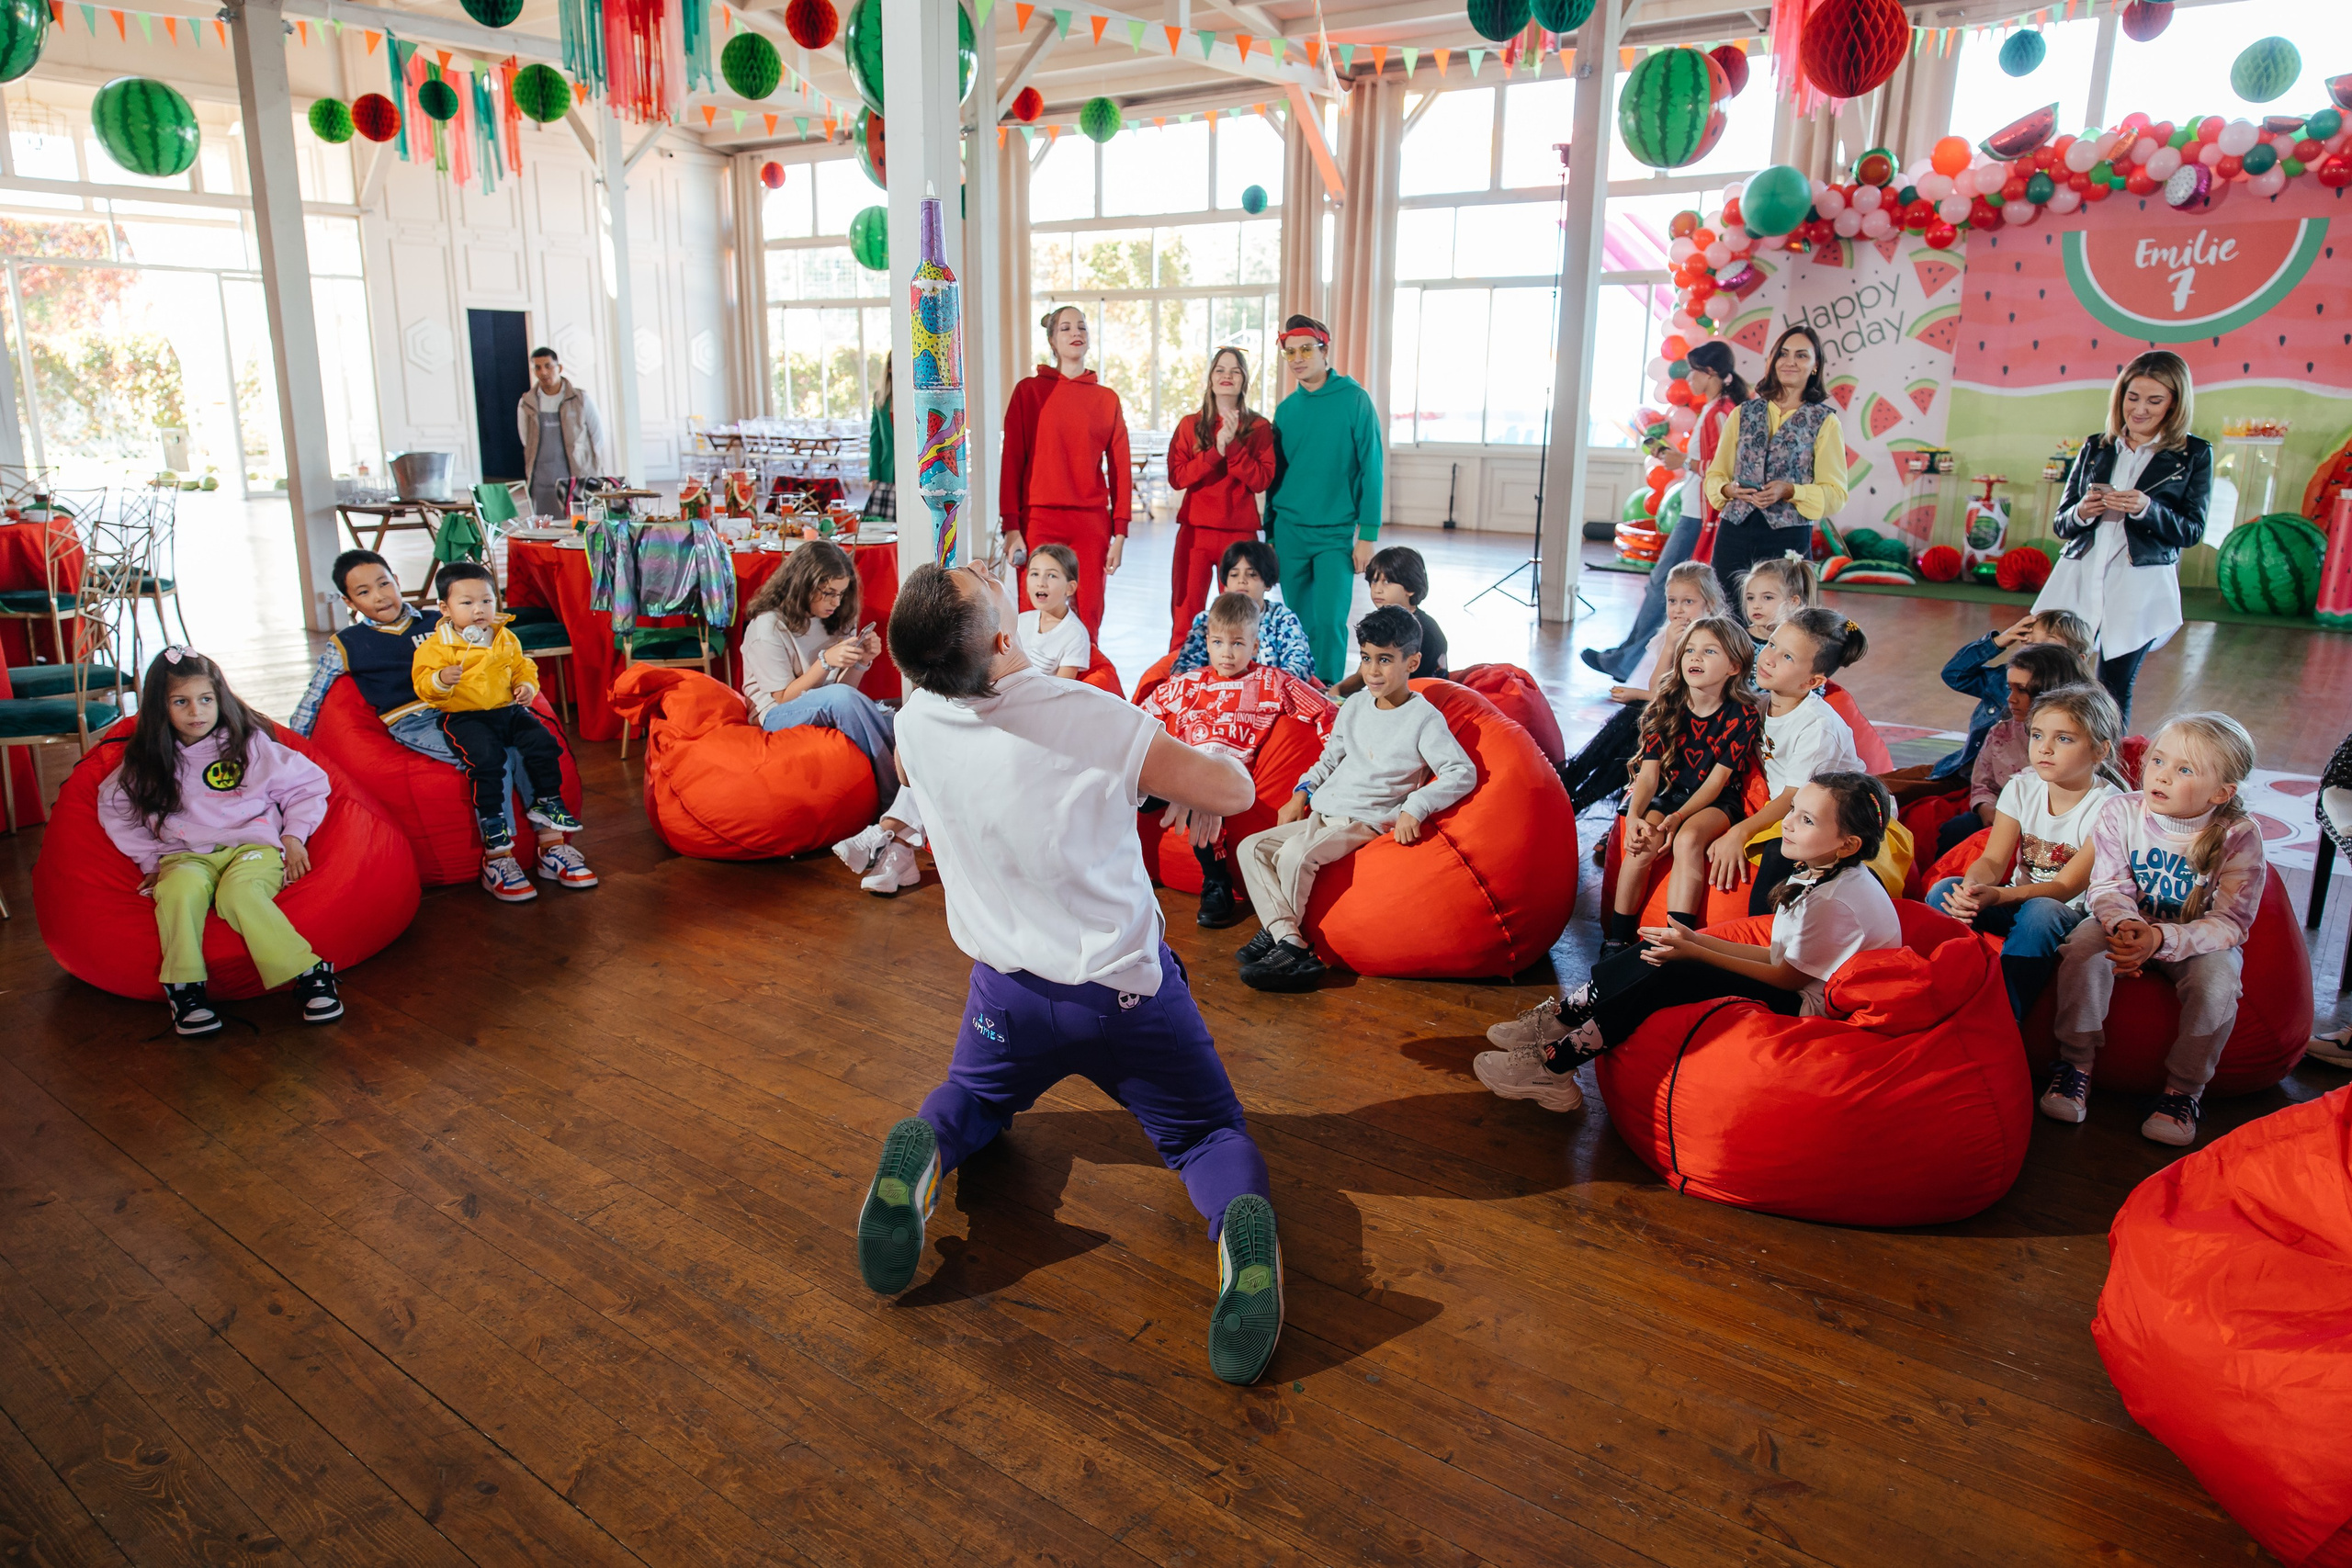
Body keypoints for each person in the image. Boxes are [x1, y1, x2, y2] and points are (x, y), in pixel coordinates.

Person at [858, 559, 1286, 1388]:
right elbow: (1232, 788)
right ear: (1006, 637)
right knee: (1208, 1137)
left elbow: (939, 769)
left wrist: (1143, 787)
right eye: (977, 575)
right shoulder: (1086, 713)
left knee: (976, 1099)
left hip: (1006, 993)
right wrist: (1174, 783)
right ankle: (1243, 1244)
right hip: (1123, 995)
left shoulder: (914, 718)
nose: (986, 563)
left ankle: (922, 1156)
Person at [1476, 773, 1901, 1112]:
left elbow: (1787, 980)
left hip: (1812, 1007)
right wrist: (1694, 939)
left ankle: (1554, 1067)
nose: (1786, 822)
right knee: (1656, 947)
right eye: (1792, 810)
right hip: (1796, 982)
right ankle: (1565, 1018)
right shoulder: (1817, 870)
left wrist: (1697, 952)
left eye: (1806, 820)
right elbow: (1779, 953)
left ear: (1848, 844)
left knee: (1672, 971)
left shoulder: (1835, 900)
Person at [289, 549, 589, 900]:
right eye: (364, 592)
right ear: (348, 600)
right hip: (416, 719)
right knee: (493, 757)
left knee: (525, 744)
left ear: (397, 581)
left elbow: (503, 655)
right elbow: (315, 696)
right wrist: (294, 748)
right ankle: (499, 858)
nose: (380, 596)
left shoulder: (444, 619)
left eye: (384, 583)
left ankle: (549, 845)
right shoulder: (346, 644)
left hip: (468, 709)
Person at [2043, 713, 2263, 1146]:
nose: (2161, 775)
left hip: (2197, 937)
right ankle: (2076, 1064)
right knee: (2082, 951)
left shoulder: (2238, 835)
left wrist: (2162, 939)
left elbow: (2231, 922)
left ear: (2221, 792)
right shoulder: (2120, 811)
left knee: (2218, 983)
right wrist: (2126, 924)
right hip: (2124, 924)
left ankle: (2183, 1091)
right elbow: (2107, 886)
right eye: (2158, 760)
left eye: (2184, 770)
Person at [98, 649, 343, 1036]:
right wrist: (150, 863)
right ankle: (185, 989)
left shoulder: (250, 745)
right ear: (161, 708)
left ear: (220, 699)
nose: (197, 712)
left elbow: (309, 785)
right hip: (183, 855)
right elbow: (115, 808)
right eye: (181, 702)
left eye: (206, 700)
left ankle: (309, 973)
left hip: (253, 848)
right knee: (178, 890)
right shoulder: (147, 760)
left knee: (240, 895)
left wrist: (293, 836)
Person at [1234, 605, 1477, 994]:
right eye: (1366, 659)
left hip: (1363, 820)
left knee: (1296, 855)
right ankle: (1283, 935)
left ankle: (1291, 950)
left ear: (1412, 662)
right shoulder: (1358, 704)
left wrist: (1416, 806)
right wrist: (1302, 792)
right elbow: (1330, 757)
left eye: (1385, 660)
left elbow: (1461, 772)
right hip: (1325, 812)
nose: (1373, 671)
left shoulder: (1424, 719)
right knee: (1251, 848)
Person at [1927, 683, 2127, 1018]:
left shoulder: (2111, 807)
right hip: (2015, 899)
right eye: (2037, 736)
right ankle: (1942, 996)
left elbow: (2064, 889)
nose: (2044, 748)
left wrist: (1996, 896)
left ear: (2099, 750)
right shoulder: (2022, 786)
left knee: (2041, 912)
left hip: (2073, 914)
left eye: (2063, 739)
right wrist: (1972, 887)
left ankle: (2004, 1016)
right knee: (1944, 891)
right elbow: (1992, 859)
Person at [2035, 350, 2212, 728]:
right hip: (2079, 576)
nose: (2140, 410)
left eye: (2154, 400)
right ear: (2120, 397)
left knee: (2113, 687)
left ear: (2175, 403)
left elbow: (2192, 530)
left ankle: (2107, 769)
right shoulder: (2096, 445)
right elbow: (2062, 524)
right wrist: (2085, 509)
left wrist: (2147, 508)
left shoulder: (2194, 454)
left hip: (2139, 584)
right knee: (2055, 679)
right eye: (2132, 397)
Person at [1141, 592, 1339, 929]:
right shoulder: (1187, 684)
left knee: (1202, 794)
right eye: (1218, 642)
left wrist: (1336, 766)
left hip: (1229, 781)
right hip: (1184, 773)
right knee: (1134, 790)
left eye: (1237, 643)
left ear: (1255, 645)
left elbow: (1326, 713)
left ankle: (1215, 880)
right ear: (1207, 642)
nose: (1227, 653)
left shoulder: (1273, 682)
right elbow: (1142, 717)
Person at [741, 542, 917, 890]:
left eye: (841, 593)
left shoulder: (833, 618)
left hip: (827, 702)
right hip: (774, 714)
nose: (836, 602)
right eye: (828, 593)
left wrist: (861, 660)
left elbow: (846, 689)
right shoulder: (767, 627)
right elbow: (784, 697)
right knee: (850, 703)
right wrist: (825, 661)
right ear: (803, 584)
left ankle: (897, 827)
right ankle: (892, 809)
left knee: (905, 720)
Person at [1584, 339, 1749, 679]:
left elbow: (1729, 470)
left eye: (1693, 371)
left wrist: (1685, 462)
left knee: (1665, 585)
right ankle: (1626, 658)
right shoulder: (1715, 408)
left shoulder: (1724, 412)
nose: (1687, 378)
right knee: (1664, 584)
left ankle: (1627, 661)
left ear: (1711, 373)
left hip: (1702, 514)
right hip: (1695, 509)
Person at [1603, 615, 1763, 952]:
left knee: (1688, 840)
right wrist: (1635, 817)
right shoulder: (1666, 704)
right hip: (1667, 793)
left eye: (1708, 651)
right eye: (1690, 650)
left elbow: (1717, 782)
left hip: (1716, 799)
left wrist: (1679, 818)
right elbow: (1648, 776)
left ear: (1734, 666)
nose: (1695, 657)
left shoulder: (1741, 715)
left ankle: (1679, 941)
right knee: (1643, 843)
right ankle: (1616, 939)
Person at [411, 562, 583, 859]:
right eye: (467, 603)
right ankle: (493, 820)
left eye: (486, 601)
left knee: (544, 742)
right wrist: (440, 680)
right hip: (465, 717)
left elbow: (522, 667)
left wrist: (527, 686)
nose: (479, 610)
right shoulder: (436, 646)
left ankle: (548, 800)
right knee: (488, 760)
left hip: (507, 711)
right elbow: (423, 684)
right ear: (445, 608)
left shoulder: (504, 636)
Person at [1702, 608, 1869, 913]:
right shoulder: (1761, 703)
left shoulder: (1817, 726)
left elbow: (1797, 796)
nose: (1769, 658)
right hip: (1782, 804)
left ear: (1812, 680)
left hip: (1830, 812)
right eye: (1772, 644)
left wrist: (1740, 832)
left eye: (1788, 657)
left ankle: (1761, 937)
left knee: (1779, 854)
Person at [1262, 315, 1383, 683]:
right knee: (1299, 620)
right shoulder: (1286, 411)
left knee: (1330, 619)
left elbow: (1371, 466)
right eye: (1289, 352)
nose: (1297, 358)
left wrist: (1368, 534)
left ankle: (1330, 693)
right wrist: (1270, 534)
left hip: (1335, 533)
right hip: (1289, 531)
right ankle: (1301, 691)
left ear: (1324, 350)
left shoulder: (1355, 400)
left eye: (1305, 349)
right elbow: (1275, 477)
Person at [999, 306, 1131, 637]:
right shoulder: (1029, 392)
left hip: (1091, 521)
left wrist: (1120, 533)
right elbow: (1012, 460)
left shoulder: (1106, 399)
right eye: (1066, 328)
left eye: (1082, 328)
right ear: (1052, 341)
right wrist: (1011, 526)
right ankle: (1036, 686)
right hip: (1039, 517)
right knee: (1035, 612)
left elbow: (1120, 468)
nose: (1076, 333)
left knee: (1089, 610)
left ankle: (1086, 684)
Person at [1556, 561, 1724, 815]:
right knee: (1637, 718)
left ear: (1709, 605)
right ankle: (1571, 783)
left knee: (1640, 717)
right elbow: (1659, 687)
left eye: (1688, 602)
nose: (1678, 610)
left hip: (1702, 724)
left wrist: (1637, 695)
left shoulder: (1716, 641)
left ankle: (1578, 796)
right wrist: (1669, 647)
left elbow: (1687, 699)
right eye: (1672, 601)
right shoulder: (1670, 635)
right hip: (1669, 713)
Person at [1703, 325, 1849, 603]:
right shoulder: (1742, 413)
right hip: (1734, 534)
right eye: (1783, 354)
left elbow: (1836, 494)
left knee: (1781, 623)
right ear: (1771, 361)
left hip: (1788, 537)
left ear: (1815, 366)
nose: (1790, 361)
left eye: (1801, 355)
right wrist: (1727, 490)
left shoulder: (1825, 422)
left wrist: (1792, 491)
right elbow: (1716, 475)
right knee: (1727, 618)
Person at [1938, 642, 2096, 859]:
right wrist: (1986, 808)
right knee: (1956, 830)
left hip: (2057, 830)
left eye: (2022, 690)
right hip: (2003, 819)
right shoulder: (2001, 732)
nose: (2011, 699)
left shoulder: (2085, 739)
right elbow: (1984, 783)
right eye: (2009, 688)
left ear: (2051, 690)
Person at [1166, 346, 1275, 646]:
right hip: (1195, 533)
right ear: (1211, 379)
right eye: (1220, 370)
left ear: (1244, 381)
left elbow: (1262, 480)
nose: (1227, 376)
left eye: (1235, 370)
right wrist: (1216, 451)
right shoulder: (1190, 425)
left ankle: (1240, 678)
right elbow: (1177, 478)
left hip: (1239, 535)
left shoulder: (1259, 427)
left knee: (1243, 614)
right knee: (1185, 612)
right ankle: (1178, 678)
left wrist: (1234, 449)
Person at [1924, 609, 2094, 784]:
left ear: (2078, 659)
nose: (2036, 652)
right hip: (1969, 769)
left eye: (2046, 645)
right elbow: (1955, 674)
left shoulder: (2078, 704)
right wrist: (1999, 641)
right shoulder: (2004, 679)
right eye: (2030, 643)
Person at [1171, 539, 1316, 682]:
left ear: (1267, 582)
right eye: (1234, 575)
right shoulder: (1206, 619)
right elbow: (1185, 667)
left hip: (1268, 694)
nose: (1242, 581)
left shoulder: (1282, 619)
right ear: (1225, 583)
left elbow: (1301, 663)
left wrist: (1263, 686)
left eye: (1252, 575)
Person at [1333, 545, 1447, 696]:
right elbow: (1362, 675)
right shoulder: (1380, 623)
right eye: (1373, 581)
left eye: (1387, 582)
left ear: (1410, 587)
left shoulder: (1425, 630)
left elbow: (1408, 687)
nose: (1377, 589)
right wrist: (1337, 690)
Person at [517, 346, 612, 521]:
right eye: (537, 367)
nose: (543, 372)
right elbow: (526, 439)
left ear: (559, 368)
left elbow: (597, 436)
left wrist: (582, 459)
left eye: (548, 366)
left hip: (576, 477)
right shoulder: (527, 402)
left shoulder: (580, 399)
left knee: (580, 524)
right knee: (546, 526)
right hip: (542, 479)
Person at [1019, 544, 1091, 678]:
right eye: (1035, 574)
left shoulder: (1075, 635)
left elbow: (1062, 690)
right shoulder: (1020, 621)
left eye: (1051, 576)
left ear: (1070, 588)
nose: (1041, 582)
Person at [1736, 554, 1818, 641]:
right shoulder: (1737, 639)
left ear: (1793, 602)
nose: (1756, 605)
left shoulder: (1800, 642)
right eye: (1750, 598)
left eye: (1767, 597)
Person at [865, 352, 895, 524]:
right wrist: (873, 474)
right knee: (886, 521)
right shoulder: (879, 398)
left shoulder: (913, 398)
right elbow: (875, 440)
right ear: (889, 368)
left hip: (911, 470)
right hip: (886, 470)